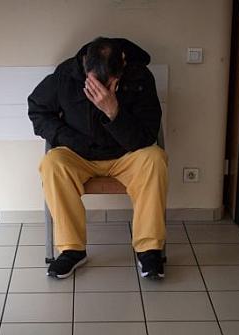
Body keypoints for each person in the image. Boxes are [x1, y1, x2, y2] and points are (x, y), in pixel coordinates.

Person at [29, 37, 167, 279]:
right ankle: (72, 250)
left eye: (109, 83)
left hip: (127, 154)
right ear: (84, 65)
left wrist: (113, 111)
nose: (101, 90)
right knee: (52, 163)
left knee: (155, 158)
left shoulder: (140, 76)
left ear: (122, 65)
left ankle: (149, 250)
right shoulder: (65, 75)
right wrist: (68, 139)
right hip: (79, 153)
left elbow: (146, 135)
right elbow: (37, 109)